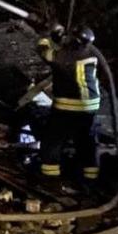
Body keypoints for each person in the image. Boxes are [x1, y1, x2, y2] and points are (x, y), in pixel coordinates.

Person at [38, 26, 102, 183]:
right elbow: (66, 51)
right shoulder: (90, 53)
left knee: (53, 140)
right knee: (86, 140)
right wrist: (60, 39)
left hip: (68, 105)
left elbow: (44, 52)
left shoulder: (65, 57)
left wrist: (47, 35)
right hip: (90, 106)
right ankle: (91, 177)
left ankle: (50, 176)